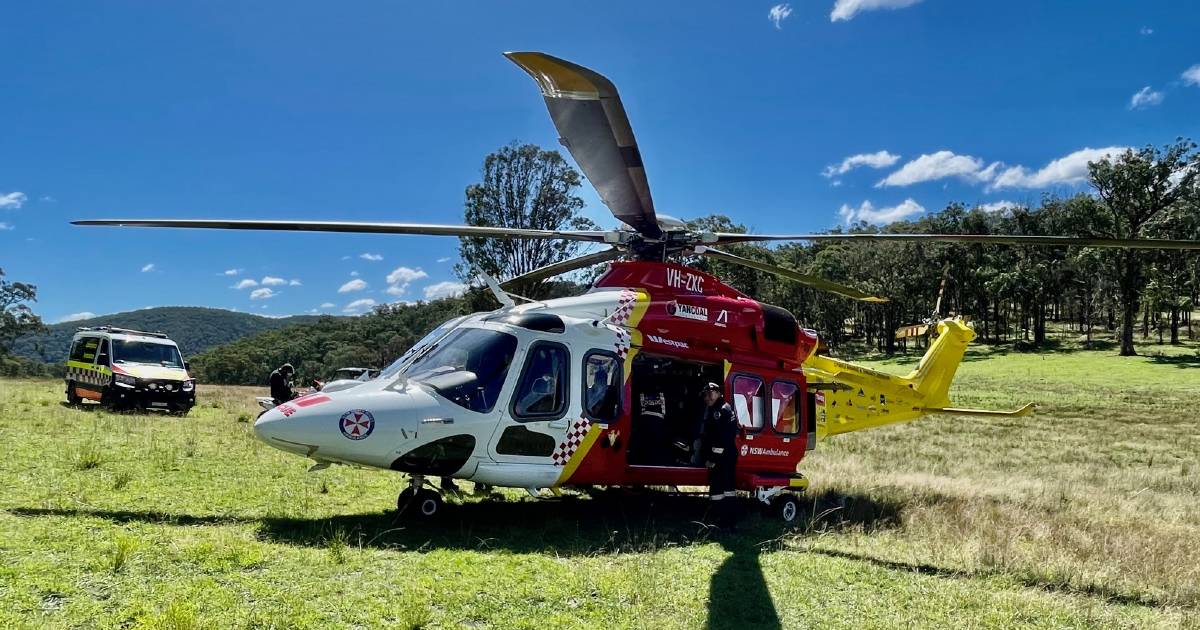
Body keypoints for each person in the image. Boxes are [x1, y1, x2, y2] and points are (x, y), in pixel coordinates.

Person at [699, 382, 740, 532]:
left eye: (710, 394)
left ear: (718, 393)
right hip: (727, 456)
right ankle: (730, 523)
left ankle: (722, 523)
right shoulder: (724, 407)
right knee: (728, 490)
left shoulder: (719, 411)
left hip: (722, 457)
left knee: (718, 490)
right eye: (706, 395)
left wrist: (712, 460)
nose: (707, 397)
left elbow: (720, 440)